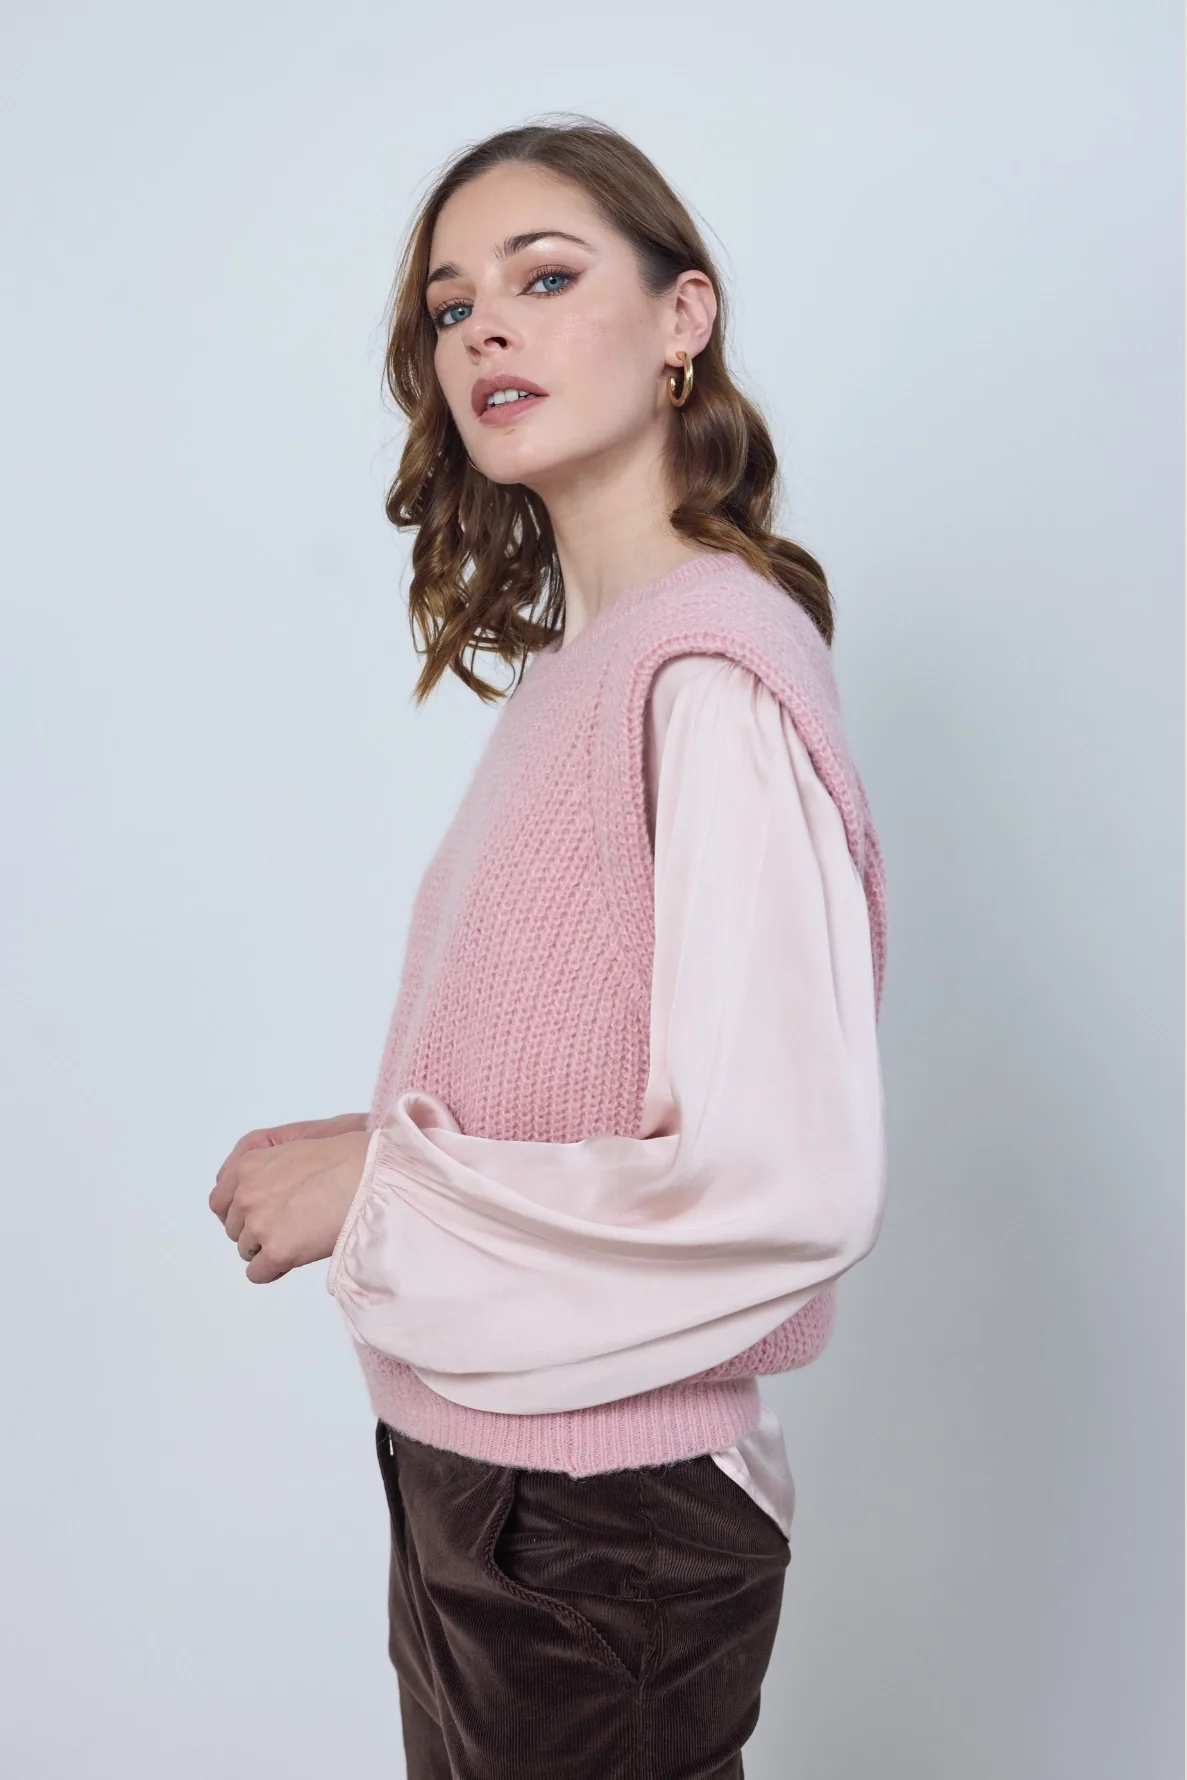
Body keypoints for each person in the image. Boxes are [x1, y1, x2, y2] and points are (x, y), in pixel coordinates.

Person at [209, 115, 889, 1780]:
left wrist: (384, 1189)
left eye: (545, 277)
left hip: (603, 1524)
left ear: (681, 319)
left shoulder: (707, 675)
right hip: (479, 1483)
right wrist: (369, 1152)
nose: (483, 332)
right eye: (451, 307)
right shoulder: (581, 669)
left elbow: (784, 1180)